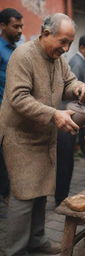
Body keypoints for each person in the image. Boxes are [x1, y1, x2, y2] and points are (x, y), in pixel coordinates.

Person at [0, 13, 85, 256]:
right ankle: (14, 250)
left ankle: (36, 240)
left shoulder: (59, 59)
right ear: (45, 34)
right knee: (24, 193)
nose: (66, 48)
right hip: (20, 136)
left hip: (43, 133)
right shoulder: (23, 55)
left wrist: (79, 87)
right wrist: (54, 114)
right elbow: (18, 98)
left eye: (70, 43)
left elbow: (69, 82)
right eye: (62, 41)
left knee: (41, 189)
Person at [55, 34, 85, 206]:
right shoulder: (76, 63)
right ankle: (60, 197)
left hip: (70, 118)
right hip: (66, 117)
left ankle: (62, 193)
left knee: (67, 160)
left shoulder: (82, 63)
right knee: (65, 160)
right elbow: (68, 92)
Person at [0, 8, 23, 202]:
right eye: (16, 26)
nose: (20, 30)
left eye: (21, 26)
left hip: (17, 112)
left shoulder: (19, 47)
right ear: (3, 26)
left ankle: (10, 193)